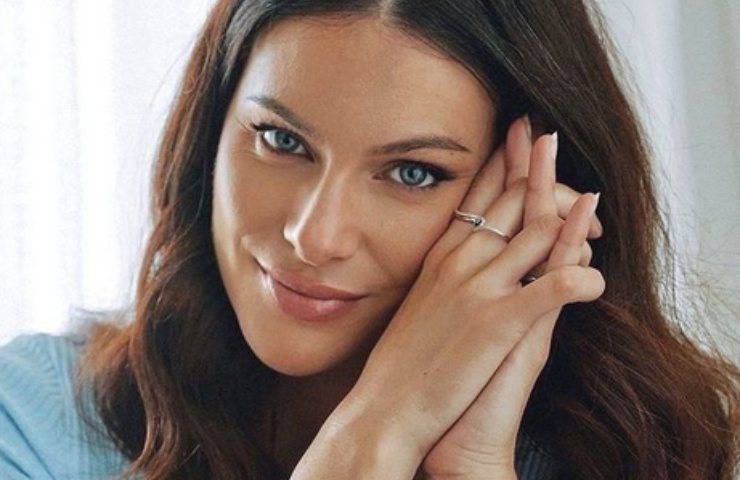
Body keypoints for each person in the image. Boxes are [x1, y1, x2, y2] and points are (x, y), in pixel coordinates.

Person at [0, 1, 737, 479]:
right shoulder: (32, 424)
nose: (313, 236)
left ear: (533, 198)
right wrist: (377, 431)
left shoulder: (674, 451)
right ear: (211, 133)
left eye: (413, 173)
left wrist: (472, 468)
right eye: (281, 140)